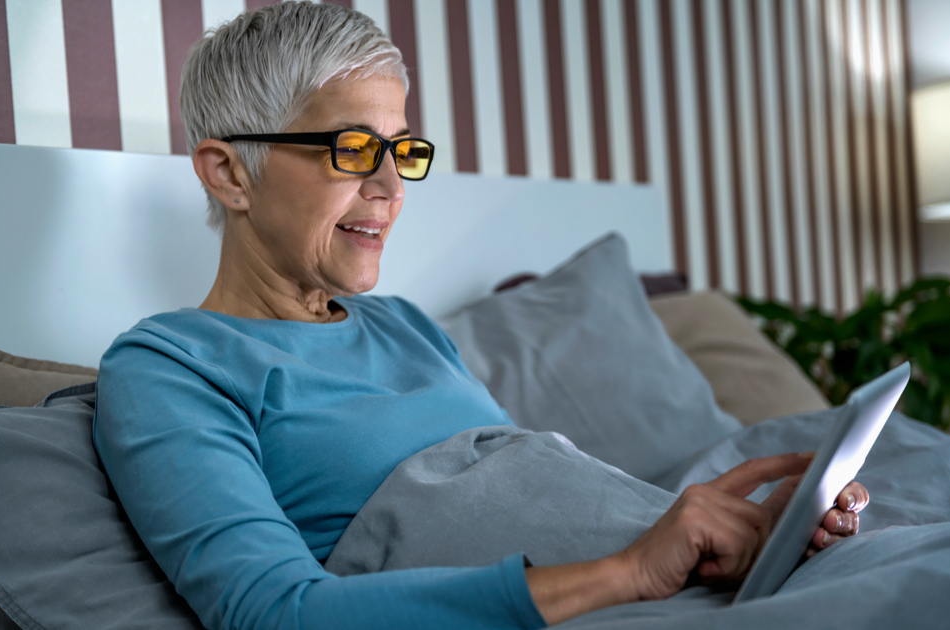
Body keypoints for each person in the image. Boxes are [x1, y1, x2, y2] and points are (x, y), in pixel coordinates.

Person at [93, 3, 868, 629]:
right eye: (356, 149)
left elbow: (529, 488)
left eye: (403, 152)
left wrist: (686, 521)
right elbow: (274, 612)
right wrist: (630, 568)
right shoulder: (172, 366)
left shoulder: (403, 324)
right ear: (229, 172)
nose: (393, 189)